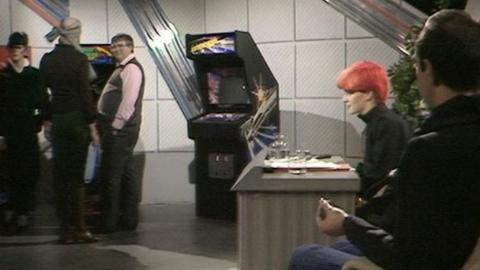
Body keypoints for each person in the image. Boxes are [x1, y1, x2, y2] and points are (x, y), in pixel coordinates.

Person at [288, 9, 480, 270]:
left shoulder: (430, 148)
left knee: (305, 255)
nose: (345, 98)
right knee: (341, 247)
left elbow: (407, 256)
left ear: (426, 67)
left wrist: (345, 222)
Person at [40, 17, 100, 244]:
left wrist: (47, 119)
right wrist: (92, 126)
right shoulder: (79, 59)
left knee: (60, 177)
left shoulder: (47, 59)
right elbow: (85, 97)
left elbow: (42, 92)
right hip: (76, 121)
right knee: (76, 179)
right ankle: (80, 229)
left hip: (57, 120)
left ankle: (64, 229)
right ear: (76, 33)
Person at [337, 61, 412, 201]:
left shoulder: (386, 124)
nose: (344, 99)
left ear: (368, 94)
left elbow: (377, 177)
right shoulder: (380, 122)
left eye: (350, 92)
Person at [0, 32, 48, 234]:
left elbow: (42, 101)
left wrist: (40, 123)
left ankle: (21, 212)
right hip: (11, 133)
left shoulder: (33, 75)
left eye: (18, 48)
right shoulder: (5, 76)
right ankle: (15, 210)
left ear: (25, 49)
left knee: (27, 173)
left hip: (27, 131)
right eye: (12, 48)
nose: (15, 52)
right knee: (12, 173)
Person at [97, 33, 145, 233]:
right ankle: (128, 219)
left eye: (119, 45)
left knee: (112, 176)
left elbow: (128, 102)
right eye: (113, 46)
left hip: (121, 130)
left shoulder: (132, 68)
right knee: (125, 174)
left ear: (130, 47)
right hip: (120, 129)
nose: (115, 49)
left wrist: (116, 126)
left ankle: (109, 223)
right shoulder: (122, 68)